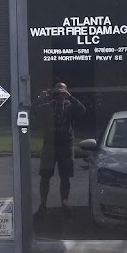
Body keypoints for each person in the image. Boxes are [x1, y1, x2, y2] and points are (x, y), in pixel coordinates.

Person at [35, 82, 86, 218]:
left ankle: (64, 203)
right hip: (49, 145)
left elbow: (83, 111)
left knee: (65, 177)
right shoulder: (48, 106)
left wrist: (70, 97)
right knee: (45, 176)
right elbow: (34, 112)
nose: (59, 95)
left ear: (66, 92)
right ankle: (43, 204)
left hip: (66, 145)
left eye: (61, 92)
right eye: (57, 92)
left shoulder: (70, 106)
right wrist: (42, 98)